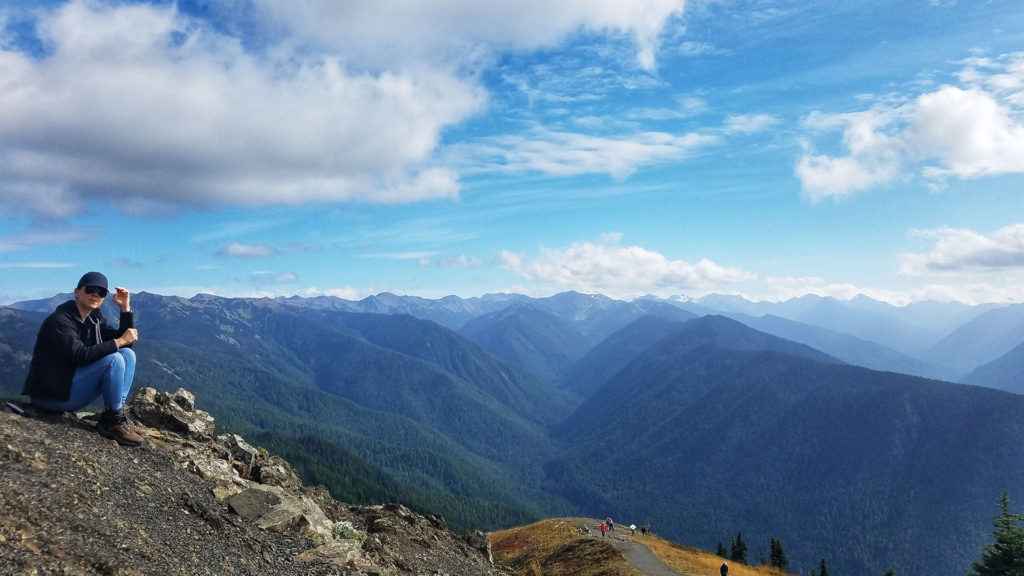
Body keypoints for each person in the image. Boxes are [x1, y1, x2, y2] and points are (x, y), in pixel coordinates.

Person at [22, 271, 143, 446]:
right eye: (90, 290)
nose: (95, 294)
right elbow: (79, 355)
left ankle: (117, 415)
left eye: (101, 292)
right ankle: (113, 420)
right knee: (114, 360)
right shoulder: (60, 320)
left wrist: (125, 309)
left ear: (103, 298)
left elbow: (125, 342)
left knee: (127, 355)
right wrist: (120, 341)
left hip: (68, 386)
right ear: (77, 292)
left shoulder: (93, 320)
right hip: (50, 396)